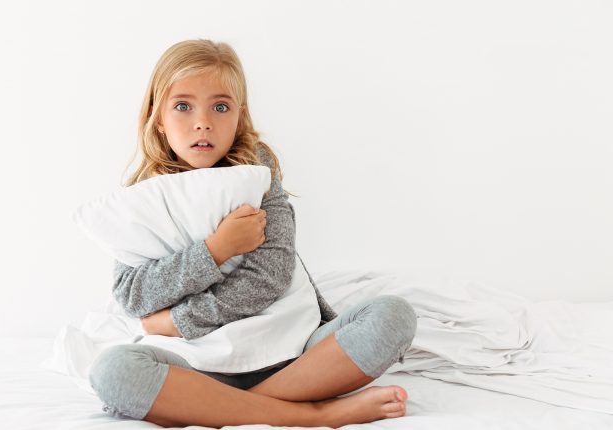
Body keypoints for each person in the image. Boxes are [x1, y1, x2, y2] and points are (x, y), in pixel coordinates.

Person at [88, 38, 418, 428]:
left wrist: (175, 321)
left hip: (293, 354)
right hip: (198, 361)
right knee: (113, 371)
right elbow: (132, 295)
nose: (202, 122)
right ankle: (312, 415)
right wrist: (214, 250)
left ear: (239, 117)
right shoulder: (143, 196)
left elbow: (270, 276)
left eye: (220, 107)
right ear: (158, 116)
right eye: (182, 106)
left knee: (393, 315)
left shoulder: (257, 173)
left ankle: (217, 407)